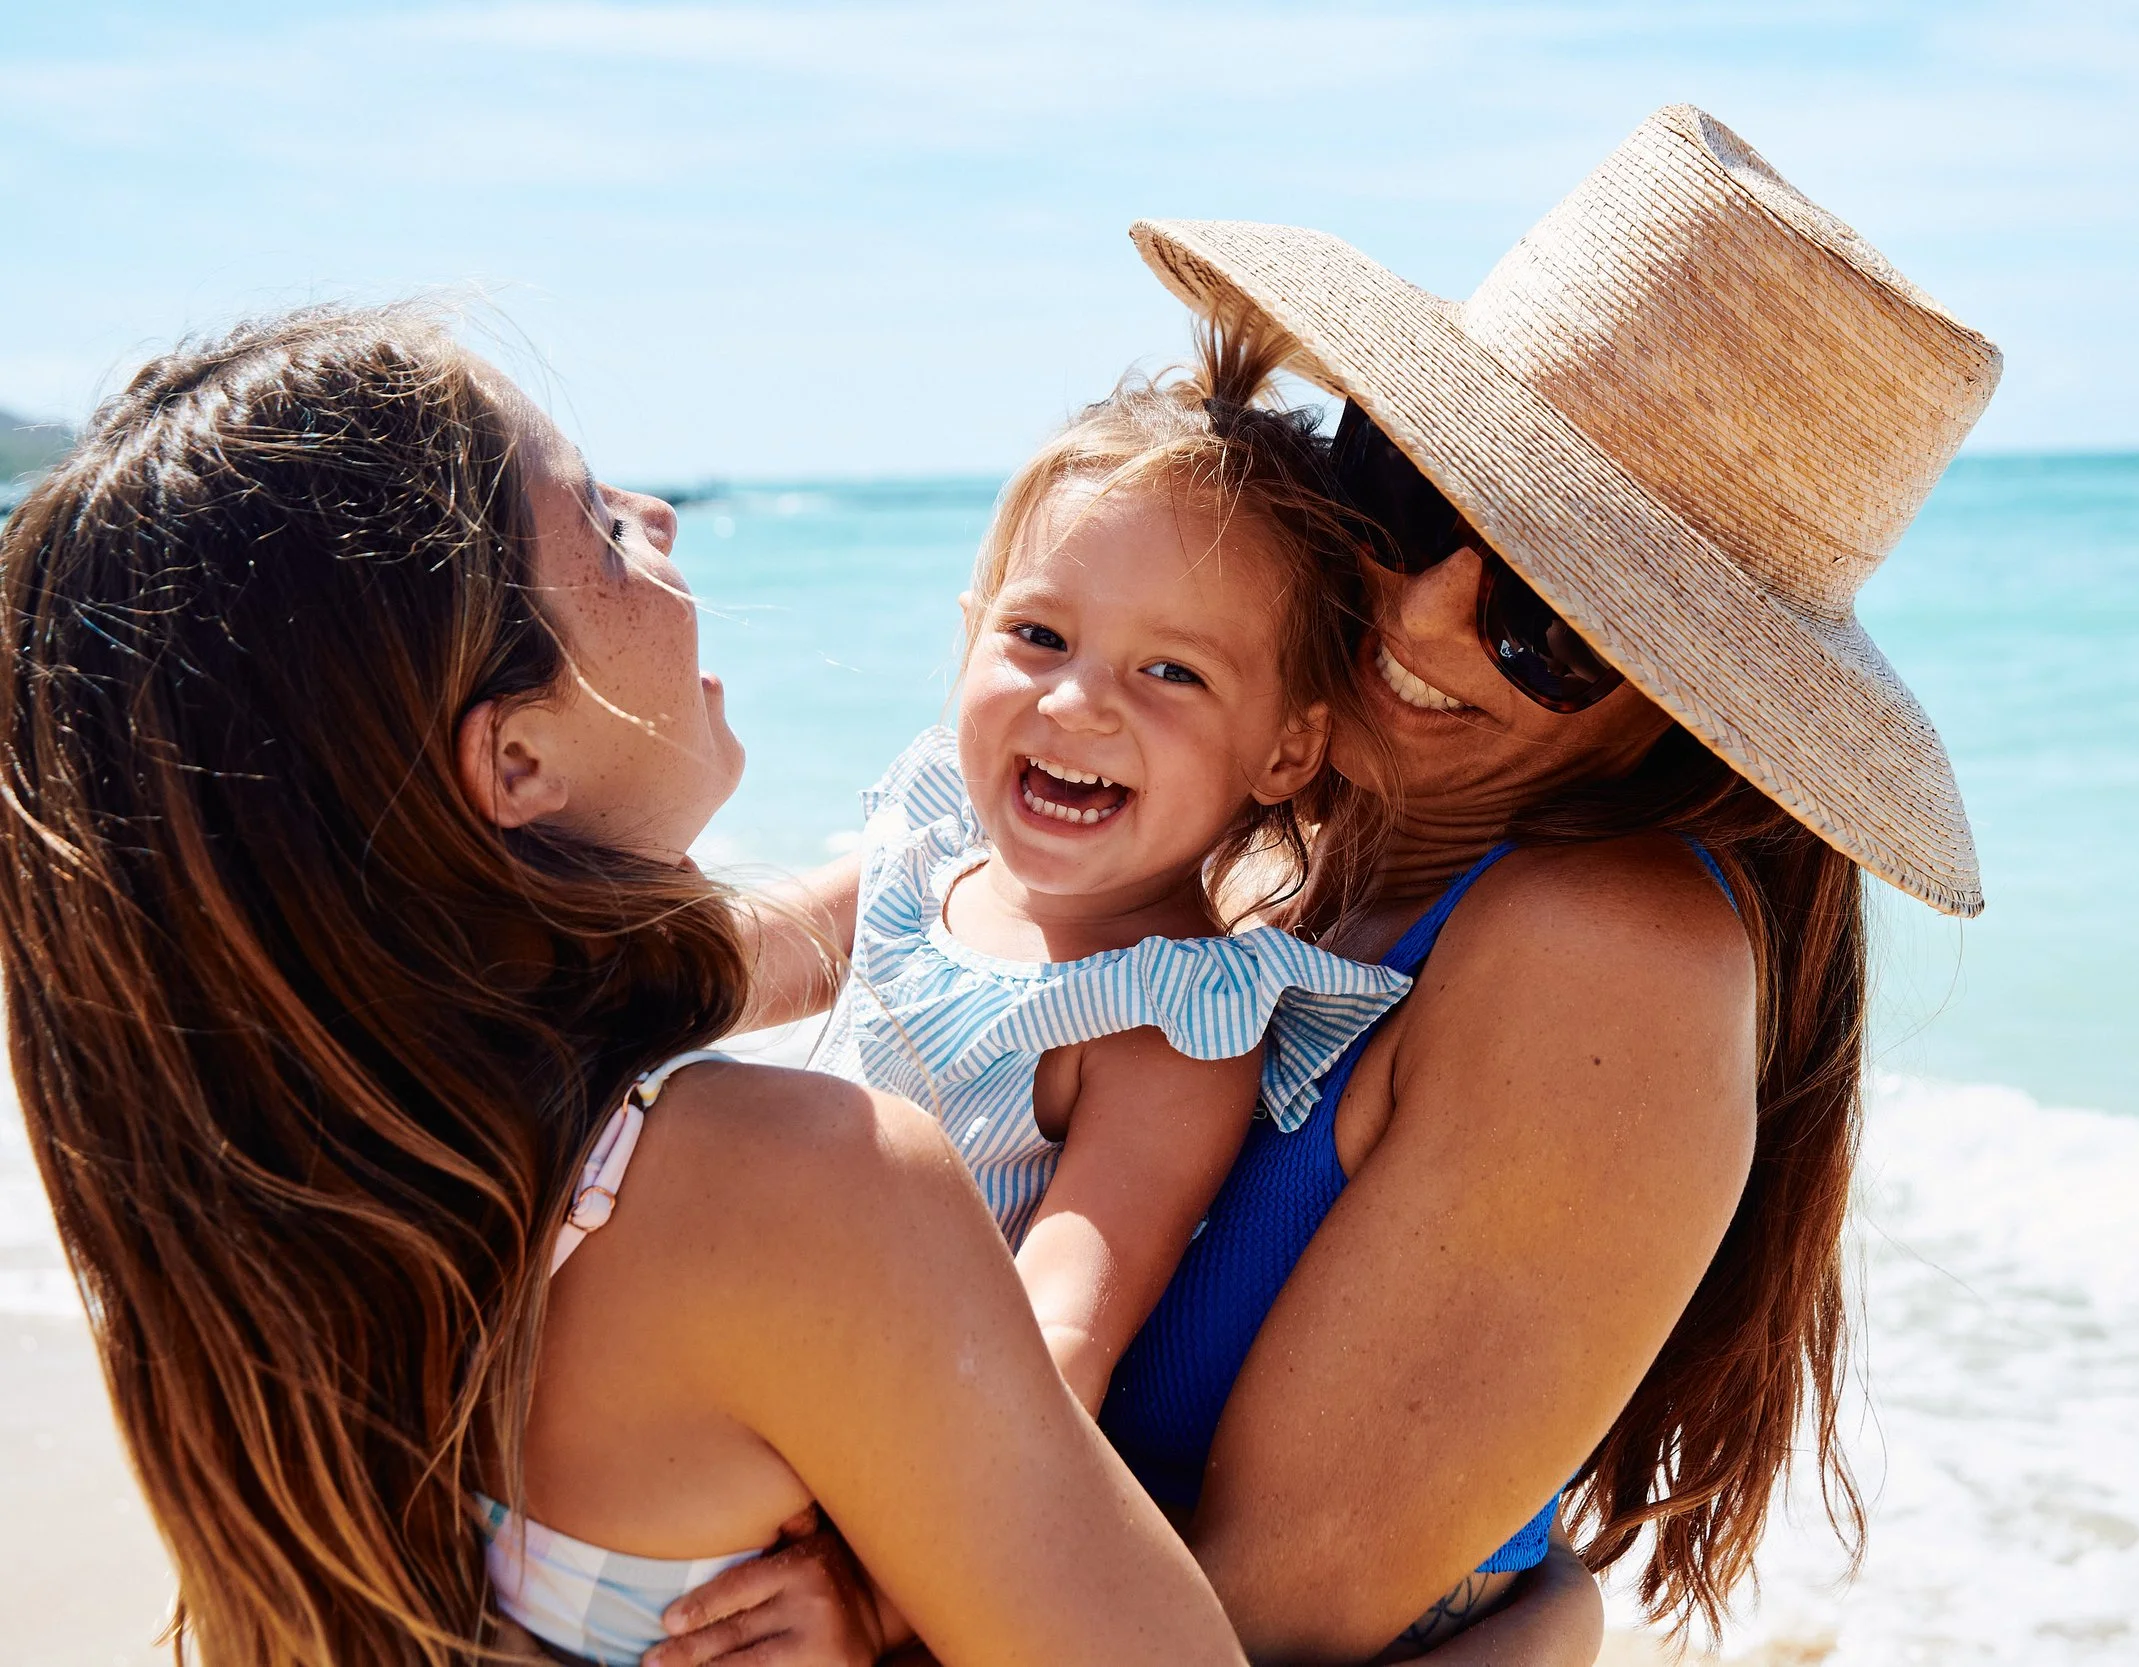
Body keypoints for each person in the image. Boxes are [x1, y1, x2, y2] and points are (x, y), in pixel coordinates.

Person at [660, 103, 2001, 1665]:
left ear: (1690, 696)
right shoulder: (1271, 829)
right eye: (1413, 493)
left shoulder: (1610, 947)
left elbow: (1279, 1615)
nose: (1421, 616)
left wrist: (887, 1612)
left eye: (1549, 616)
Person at [0, 308, 1246, 1667]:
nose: (657, 509)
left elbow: (823, 942)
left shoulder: (320, 1213)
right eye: (596, 523)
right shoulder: (801, 1192)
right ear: (517, 761)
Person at [739, 340, 1412, 1416]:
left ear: (1287, 750)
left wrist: (877, 1572)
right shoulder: (927, 847)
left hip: (870, 1435)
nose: (1074, 702)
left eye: (1172, 671)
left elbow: (1058, 1341)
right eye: (1039, 634)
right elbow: (700, 962)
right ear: (970, 637)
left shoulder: (1164, 1026)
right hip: (722, 1335)